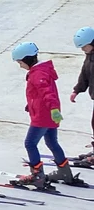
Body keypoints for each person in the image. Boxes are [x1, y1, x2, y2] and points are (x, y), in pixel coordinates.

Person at [12, 42, 77, 188]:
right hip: (49, 114)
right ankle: (64, 172)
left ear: (27, 59)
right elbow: (40, 93)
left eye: (20, 62)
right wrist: (32, 103)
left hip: (44, 116)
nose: (20, 65)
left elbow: (48, 93)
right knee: (52, 142)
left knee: (30, 143)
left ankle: (37, 175)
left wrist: (53, 109)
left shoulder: (37, 74)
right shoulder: (42, 70)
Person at [69, 26, 94, 167]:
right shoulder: (90, 57)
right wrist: (77, 90)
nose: (82, 49)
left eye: (84, 46)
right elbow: (85, 74)